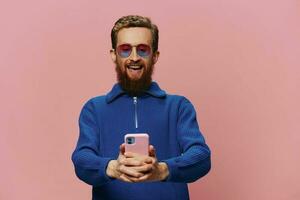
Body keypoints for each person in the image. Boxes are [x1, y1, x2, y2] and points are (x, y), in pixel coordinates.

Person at [71, 15, 211, 200]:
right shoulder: (94, 109)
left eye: (143, 50)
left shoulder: (178, 107)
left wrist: (162, 170)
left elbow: (201, 156)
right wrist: (113, 167)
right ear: (114, 54)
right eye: (125, 50)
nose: (134, 57)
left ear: (155, 55)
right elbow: (81, 159)